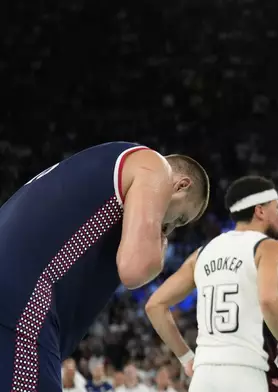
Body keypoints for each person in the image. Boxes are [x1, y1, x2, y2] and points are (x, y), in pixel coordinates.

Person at [0, 142, 210, 392]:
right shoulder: (154, 167)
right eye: (180, 218)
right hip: (22, 304)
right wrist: (160, 245)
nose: (171, 227)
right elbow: (136, 269)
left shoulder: (91, 170)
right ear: (181, 185)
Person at [145, 175, 278, 392]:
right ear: (260, 211)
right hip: (248, 372)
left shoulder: (202, 253)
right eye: (277, 208)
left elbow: (155, 305)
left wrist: (186, 357)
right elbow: (269, 299)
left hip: (203, 377)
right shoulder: (270, 247)